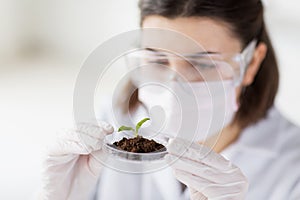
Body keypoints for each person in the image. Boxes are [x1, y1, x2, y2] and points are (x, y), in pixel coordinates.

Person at [39, 0, 300, 199]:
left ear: (251, 63)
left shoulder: (293, 170)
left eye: (203, 64)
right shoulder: (111, 125)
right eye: (158, 59)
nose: (175, 86)